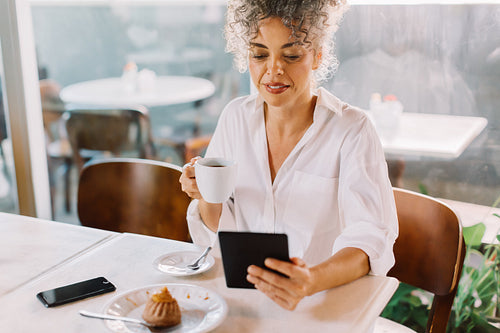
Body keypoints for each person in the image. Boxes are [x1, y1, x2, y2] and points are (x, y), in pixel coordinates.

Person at [179, 0, 398, 311]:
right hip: (243, 303)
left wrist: (310, 280)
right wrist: (205, 192)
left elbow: (370, 237)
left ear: (318, 54)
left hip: (322, 305)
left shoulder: (352, 130)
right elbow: (216, 226)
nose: (273, 71)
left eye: (291, 55)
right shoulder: (235, 118)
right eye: (259, 54)